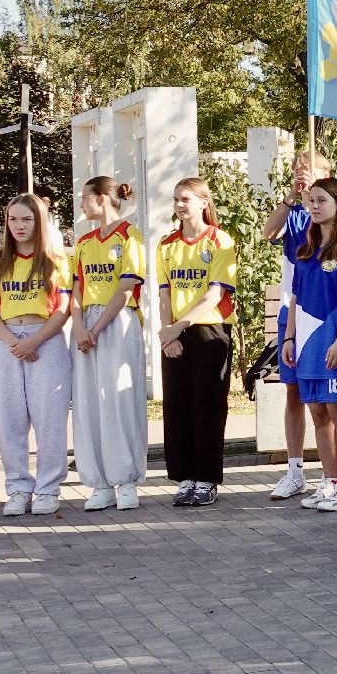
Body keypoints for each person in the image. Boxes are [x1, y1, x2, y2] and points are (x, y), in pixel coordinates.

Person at [0, 193, 75, 517]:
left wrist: (34, 341)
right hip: (6, 343)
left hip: (45, 341)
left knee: (49, 420)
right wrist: (10, 341)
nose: (19, 226)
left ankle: (48, 489)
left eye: (26, 219)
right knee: (8, 420)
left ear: (39, 221)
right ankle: (18, 487)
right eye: (13, 219)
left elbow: (62, 309)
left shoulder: (56, 259)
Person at [284, 177, 337, 513]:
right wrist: (289, 337)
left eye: (322, 200)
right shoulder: (304, 249)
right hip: (307, 343)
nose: (315, 207)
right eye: (311, 201)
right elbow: (294, 299)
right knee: (318, 413)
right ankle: (331, 483)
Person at [157, 177, 238, 507]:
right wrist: (167, 332)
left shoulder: (220, 241)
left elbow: (214, 295)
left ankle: (206, 479)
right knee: (177, 406)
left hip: (208, 331)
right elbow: (164, 294)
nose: (179, 204)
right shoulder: (166, 245)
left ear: (204, 202)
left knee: (208, 406)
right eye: (176, 198)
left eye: (186, 198)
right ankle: (185, 476)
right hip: (175, 333)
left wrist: (179, 327)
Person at [260, 151, 334, 502]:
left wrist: (310, 202)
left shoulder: (330, 216)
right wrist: (291, 198)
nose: (303, 175)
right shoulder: (293, 213)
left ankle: (331, 474)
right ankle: (294, 470)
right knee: (293, 392)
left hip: (320, 315)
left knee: (322, 400)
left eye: (310, 169)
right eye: (298, 170)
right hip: (291, 312)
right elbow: (267, 233)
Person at [72, 177, 149, 512]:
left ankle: (127, 479)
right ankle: (99, 481)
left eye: (84, 198)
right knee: (90, 401)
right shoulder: (85, 242)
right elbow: (75, 288)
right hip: (87, 322)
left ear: (102, 199)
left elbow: (126, 287)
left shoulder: (130, 235)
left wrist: (98, 327)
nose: (81, 204)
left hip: (117, 322)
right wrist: (79, 327)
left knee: (119, 398)